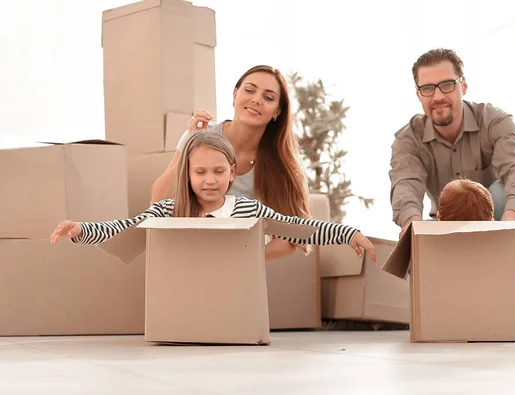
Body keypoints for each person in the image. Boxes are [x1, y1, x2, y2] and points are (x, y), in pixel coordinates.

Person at [51, 132, 376, 262]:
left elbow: (294, 226)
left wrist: (349, 233)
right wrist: (81, 230)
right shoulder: (170, 210)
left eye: (219, 172)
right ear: (188, 175)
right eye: (201, 172)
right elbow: (124, 229)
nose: (210, 180)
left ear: (232, 174)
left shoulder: (245, 208)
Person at [151, 65, 309, 258]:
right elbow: (157, 200)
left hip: (240, 264)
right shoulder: (202, 133)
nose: (256, 100)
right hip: (187, 254)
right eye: (249, 90)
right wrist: (191, 144)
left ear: (277, 111)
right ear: (235, 95)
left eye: (268, 97)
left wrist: (238, 257)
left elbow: (288, 238)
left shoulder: (280, 163)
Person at [389, 48, 515, 239]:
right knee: (411, 246)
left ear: (463, 86)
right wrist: (411, 228)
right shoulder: (408, 139)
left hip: (497, 222)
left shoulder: (494, 121)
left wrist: (511, 222)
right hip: (445, 226)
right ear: (418, 94)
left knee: (500, 192)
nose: (437, 97)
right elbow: (405, 185)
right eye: (427, 88)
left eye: (447, 85)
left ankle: (504, 258)